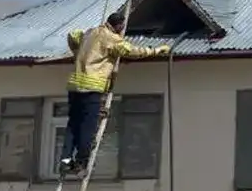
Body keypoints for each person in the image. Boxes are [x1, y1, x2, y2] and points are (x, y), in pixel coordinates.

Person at [60, 12, 170, 174]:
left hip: (75, 86)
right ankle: (81, 162)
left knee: (73, 125)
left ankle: (65, 161)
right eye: (122, 27)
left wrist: (78, 52)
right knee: (87, 127)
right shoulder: (111, 38)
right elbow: (133, 51)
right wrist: (157, 50)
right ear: (119, 26)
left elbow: (73, 35)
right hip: (92, 87)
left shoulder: (90, 32)